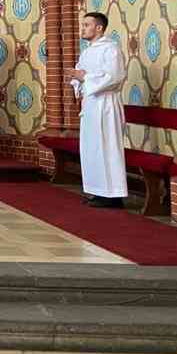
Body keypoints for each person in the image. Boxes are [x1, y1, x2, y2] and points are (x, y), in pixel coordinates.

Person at [65, 12, 127, 208]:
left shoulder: (111, 49)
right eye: (82, 25)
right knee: (92, 148)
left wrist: (84, 77)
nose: (82, 28)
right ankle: (98, 191)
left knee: (108, 148)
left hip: (106, 104)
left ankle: (114, 195)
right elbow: (81, 73)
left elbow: (114, 77)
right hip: (91, 104)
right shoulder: (87, 52)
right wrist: (76, 78)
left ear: (99, 28)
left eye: (86, 25)